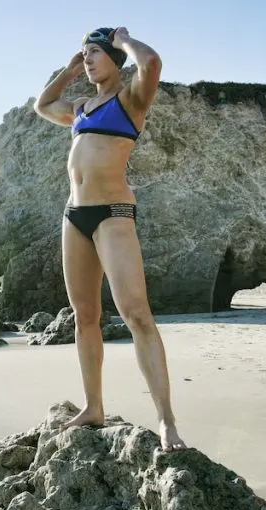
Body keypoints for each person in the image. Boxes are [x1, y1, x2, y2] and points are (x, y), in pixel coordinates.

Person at [33, 26, 187, 452]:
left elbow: (151, 63)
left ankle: (166, 421)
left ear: (113, 59)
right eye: (84, 54)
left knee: (137, 314)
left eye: (93, 53)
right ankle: (93, 406)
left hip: (114, 215)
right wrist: (67, 71)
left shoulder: (130, 101)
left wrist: (122, 41)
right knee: (85, 318)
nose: (87, 59)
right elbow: (42, 105)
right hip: (75, 216)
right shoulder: (81, 108)